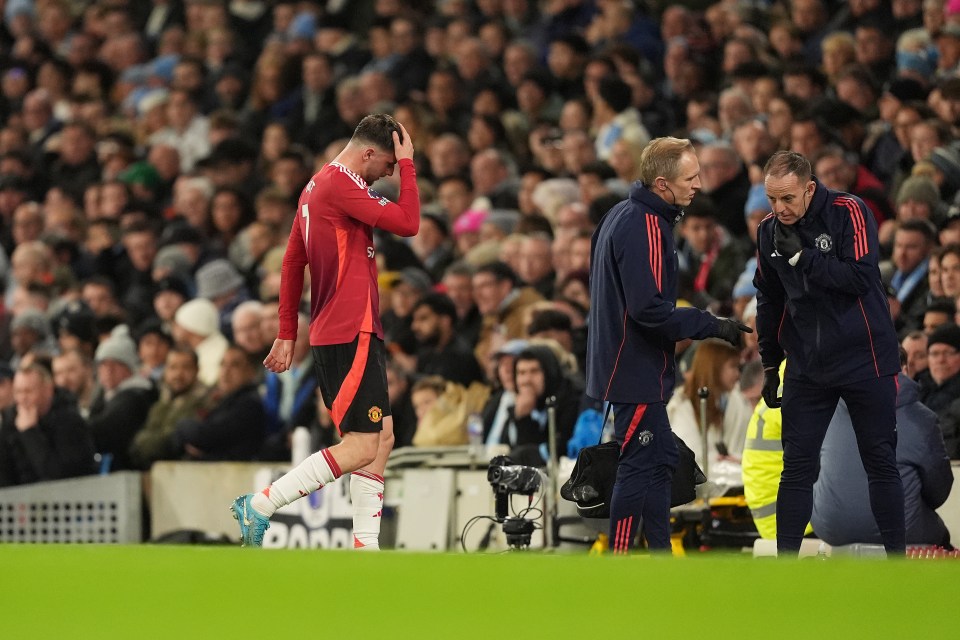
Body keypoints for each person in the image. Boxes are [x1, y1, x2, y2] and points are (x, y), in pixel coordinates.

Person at [231, 114, 419, 549]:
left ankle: (365, 546)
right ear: (368, 152)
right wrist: (410, 167)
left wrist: (285, 331)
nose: (391, 173)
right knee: (359, 446)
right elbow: (409, 223)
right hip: (349, 328)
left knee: (382, 438)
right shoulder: (341, 186)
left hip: (342, 328)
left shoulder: (315, 188)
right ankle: (260, 504)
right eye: (389, 164)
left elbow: (292, 261)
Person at [586, 136, 752, 554]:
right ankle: (621, 561)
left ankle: (660, 557)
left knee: (661, 465)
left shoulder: (618, 215)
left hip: (625, 364)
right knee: (638, 467)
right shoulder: (646, 225)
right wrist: (712, 325)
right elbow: (649, 311)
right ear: (662, 184)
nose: (698, 185)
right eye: (690, 177)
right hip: (634, 370)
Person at [753, 150, 904, 557]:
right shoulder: (768, 231)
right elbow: (768, 299)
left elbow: (860, 277)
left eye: (788, 198)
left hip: (865, 358)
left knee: (880, 461)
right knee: (797, 468)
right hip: (807, 365)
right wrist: (770, 362)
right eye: (772, 199)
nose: (779, 208)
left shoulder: (849, 210)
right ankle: (786, 569)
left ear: (809, 188)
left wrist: (803, 257)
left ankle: (901, 569)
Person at [812, 357, 953, 548]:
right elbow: (939, 489)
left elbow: (812, 470)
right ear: (904, 369)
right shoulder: (922, 419)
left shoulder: (825, 410)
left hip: (829, 527)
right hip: (903, 530)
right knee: (942, 539)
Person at [0, 363, 97, 487]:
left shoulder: (70, 421)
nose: (23, 398)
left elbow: (59, 476)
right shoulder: (10, 421)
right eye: (18, 392)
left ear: (48, 390)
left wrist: (30, 433)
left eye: (28, 391)